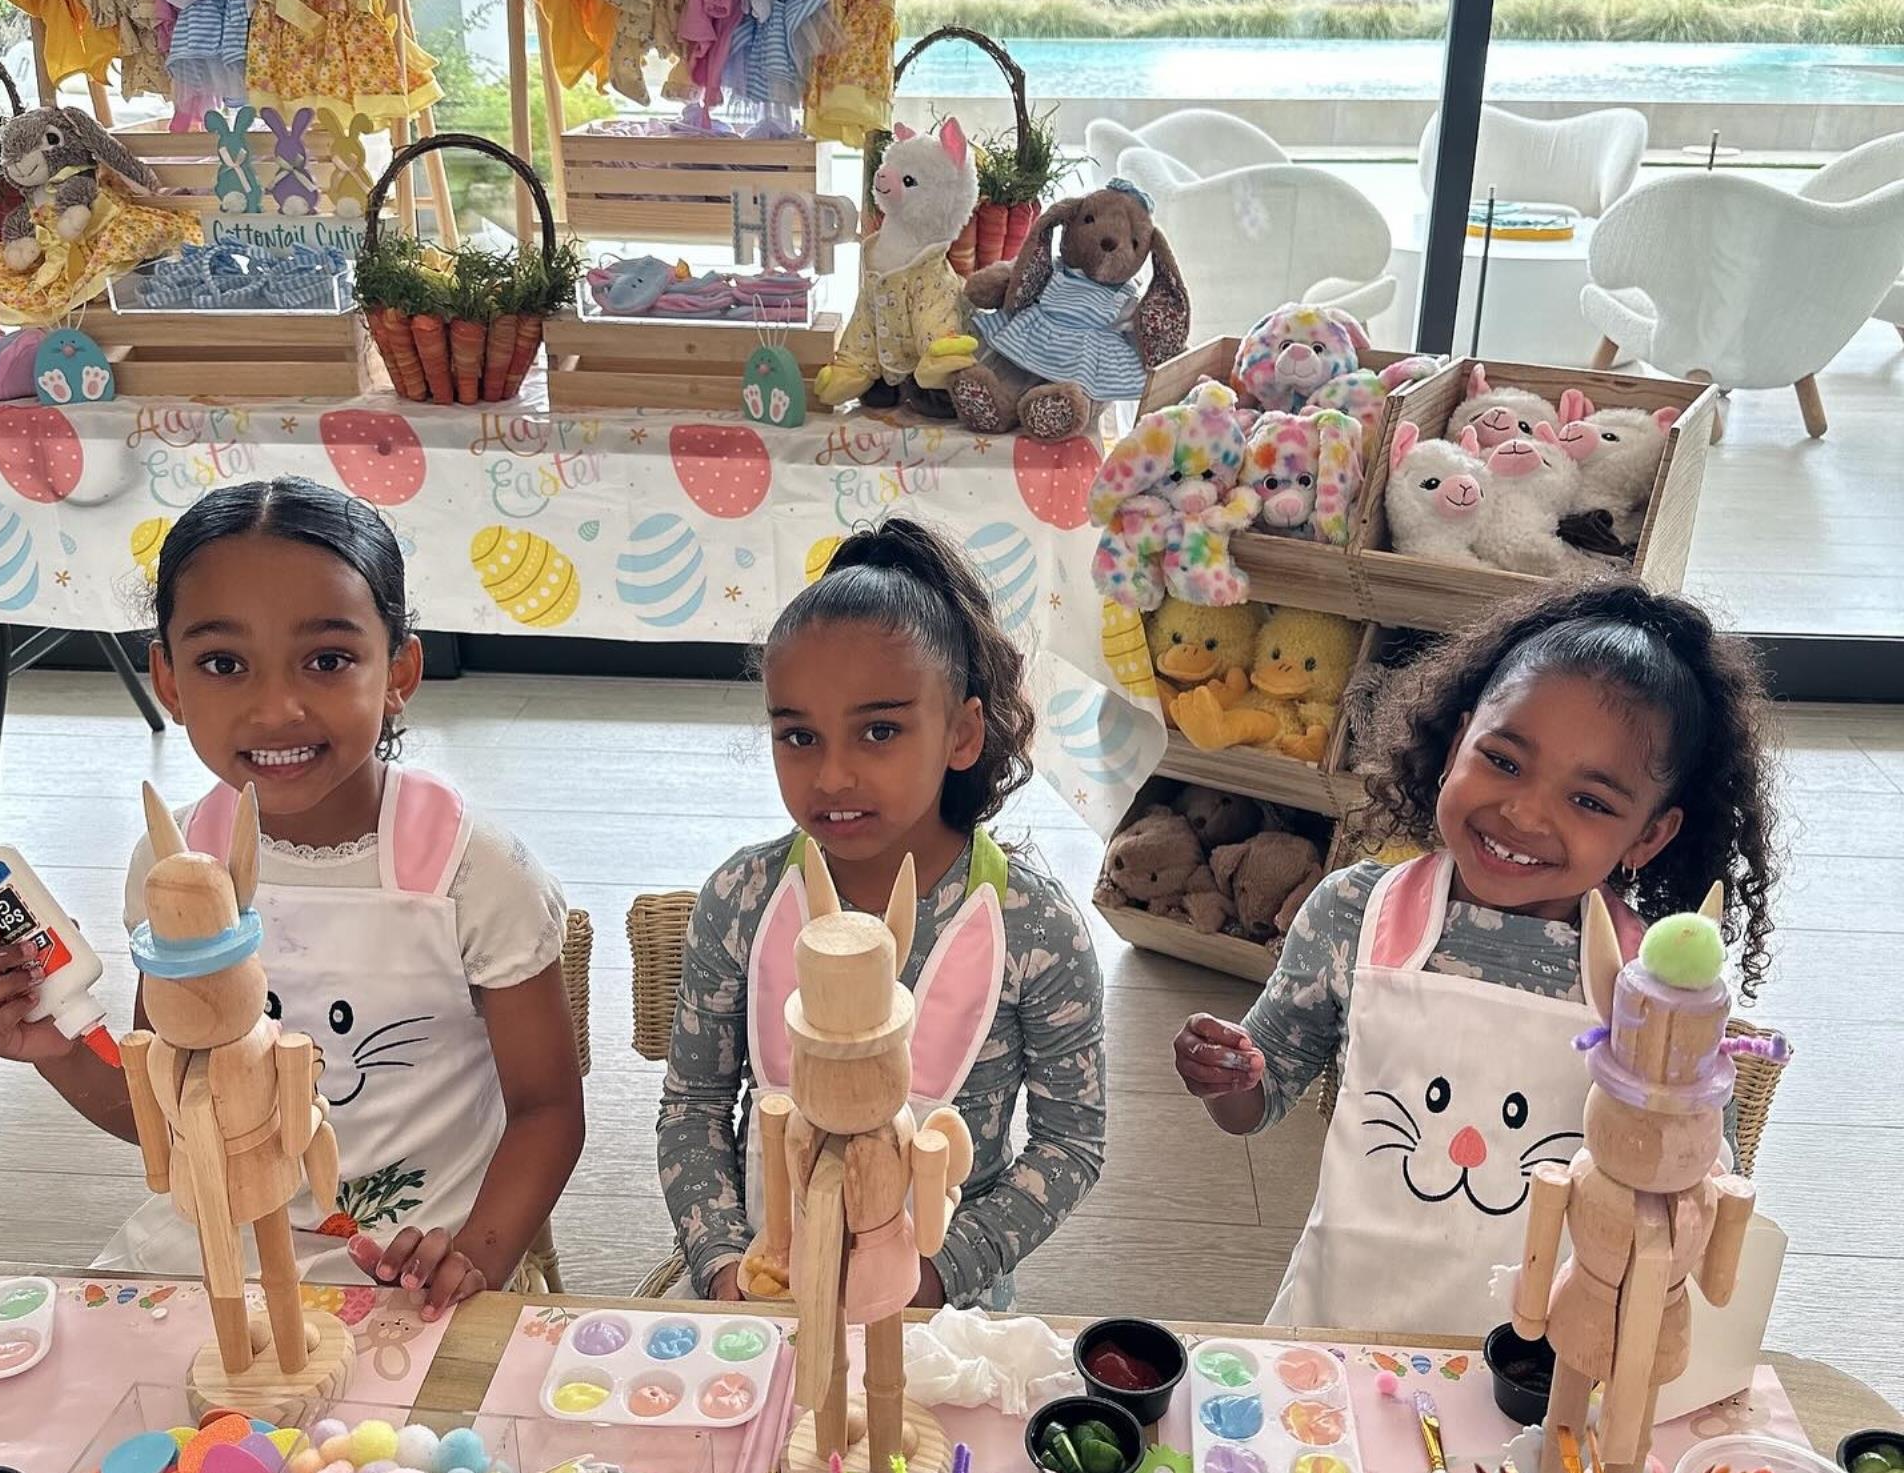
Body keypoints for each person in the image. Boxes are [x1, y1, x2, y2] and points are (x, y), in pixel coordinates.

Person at [0, 479, 583, 1316]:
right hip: (207, 1260)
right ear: (167, 677)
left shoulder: (472, 872)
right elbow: (174, 1113)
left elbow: (548, 1108)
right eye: (223, 663)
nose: (276, 708)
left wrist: (475, 1256)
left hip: (403, 1272)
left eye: (328, 659)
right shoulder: (177, 867)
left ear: (399, 668)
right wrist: (54, 1045)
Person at [1173, 581, 1779, 1338]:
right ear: (1458, 741)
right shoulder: (1355, 913)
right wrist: (1226, 1073)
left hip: (1544, 1369)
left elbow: (1693, 1183)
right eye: (1503, 759)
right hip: (1337, 1333)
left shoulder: (1651, 990)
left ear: (1649, 836)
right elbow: (1255, 1104)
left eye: (1590, 801)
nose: (1525, 812)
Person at [659, 515, 1106, 1308]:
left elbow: (1072, 1141)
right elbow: (693, 1105)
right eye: (798, 736)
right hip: (762, 1308)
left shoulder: (1036, 932)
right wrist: (729, 1266)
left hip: (942, 1322)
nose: (831, 775)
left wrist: (936, 1273)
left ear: (963, 732)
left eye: (879, 730)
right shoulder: (738, 902)